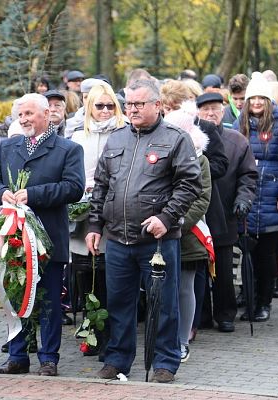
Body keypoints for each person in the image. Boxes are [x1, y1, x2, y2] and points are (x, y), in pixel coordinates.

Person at [86, 79, 201, 383]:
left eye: (139, 104)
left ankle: (165, 361)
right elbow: (101, 186)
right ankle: (117, 360)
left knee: (163, 302)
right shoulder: (116, 139)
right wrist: (95, 225)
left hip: (158, 241)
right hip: (118, 239)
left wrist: (166, 217)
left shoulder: (176, 139)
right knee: (119, 303)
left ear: (157, 105)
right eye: (129, 104)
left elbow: (190, 184)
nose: (132, 109)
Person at [0, 93, 85, 376]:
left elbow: (74, 188)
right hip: (13, 236)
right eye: (20, 115)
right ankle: (17, 356)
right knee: (15, 296)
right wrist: (0, 192)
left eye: (29, 113)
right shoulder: (8, 146)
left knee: (50, 300)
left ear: (46, 114)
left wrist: (34, 195)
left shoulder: (67, 149)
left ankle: (49, 358)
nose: (24, 119)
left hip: (48, 238)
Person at [69, 84, 126, 357]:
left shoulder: (125, 133)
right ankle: (90, 333)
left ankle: (109, 339)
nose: (104, 111)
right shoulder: (78, 136)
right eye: (99, 106)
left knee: (110, 279)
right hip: (82, 217)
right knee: (86, 279)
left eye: (110, 106)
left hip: (114, 217)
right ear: (89, 107)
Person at [235, 72, 278, 323]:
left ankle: (264, 302)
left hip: (271, 197)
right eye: (253, 98)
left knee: (267, 255)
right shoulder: (241, 123)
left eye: (261, 98)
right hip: (248, 195)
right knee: (247, 253)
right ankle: (249, 299)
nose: (257, 102)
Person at [197, 92, 258, 332]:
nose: (210, 114)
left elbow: (248, 176)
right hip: (197, 215)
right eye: (205, 110)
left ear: (224, 111)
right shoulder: (189, 138)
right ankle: (200, 315)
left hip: (225, 213)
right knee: (198, 268)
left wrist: (244, 200)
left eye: (215, 109)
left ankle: (225, 314)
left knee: (223, 270)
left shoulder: (237, 141)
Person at [164, 101, 212, 363]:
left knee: (184, 288)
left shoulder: (200, 159)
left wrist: (175, 222)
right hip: (157, 231)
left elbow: (202, 198)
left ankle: (182, 341)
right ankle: (163, 338)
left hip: (187, 233)